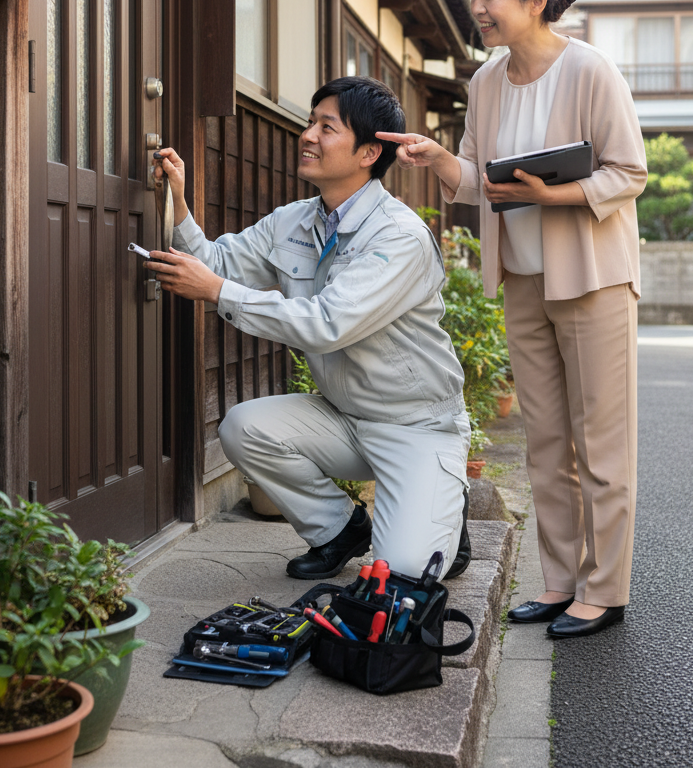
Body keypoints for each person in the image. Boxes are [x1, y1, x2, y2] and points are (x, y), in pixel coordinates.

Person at [377, 0, 647, 638]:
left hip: (591, 279)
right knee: (547, 443)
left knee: (603, 446)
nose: (479, 6)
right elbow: (477, 179)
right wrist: (438, 159)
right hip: (523, 280)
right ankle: (560, 583)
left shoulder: (590, 70)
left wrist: (555, 195)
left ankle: (604, 589)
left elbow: (628, 173)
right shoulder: (485, 81)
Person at [147, 76, 472, 582]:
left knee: (402, 573)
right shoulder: (294, 220)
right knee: (243, 427)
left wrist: (215, 291)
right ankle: (338, 531)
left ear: (368, 153)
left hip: (415, 425)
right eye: (310, 122)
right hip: (345, 418)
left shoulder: (399, 236)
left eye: (327, 127)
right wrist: (179, 202)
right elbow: (215, 263)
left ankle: (444, 500)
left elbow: (326, 324)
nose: (308, 135)